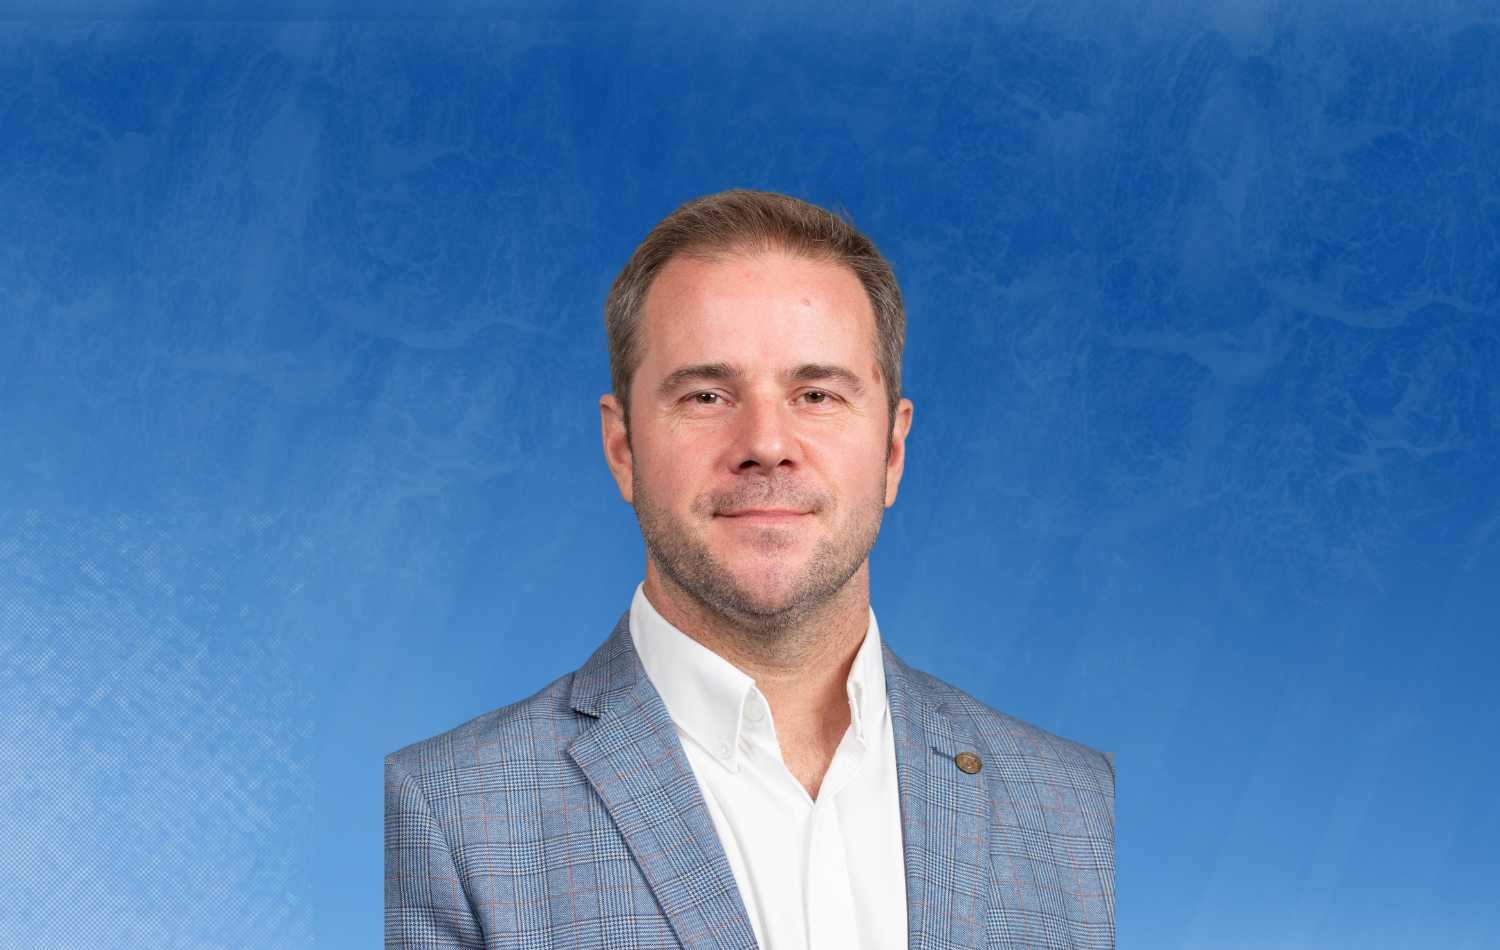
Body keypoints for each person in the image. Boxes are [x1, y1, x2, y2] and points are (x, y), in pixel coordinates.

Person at [385, 189, 1115, 949]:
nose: (766, 444)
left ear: (893, 452)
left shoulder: (1083, 812)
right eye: (707, 395)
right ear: (623, 448)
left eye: (817, 394)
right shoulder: (444, 819)